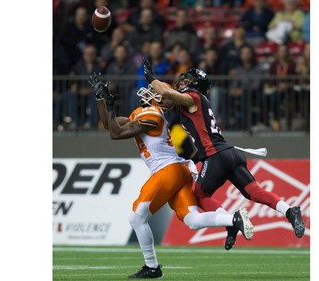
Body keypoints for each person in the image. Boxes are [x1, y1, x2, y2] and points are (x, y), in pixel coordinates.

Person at [88, 73, 254, 278]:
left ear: (165, 101)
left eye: (156, 92)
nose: (151, 93)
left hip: (169, 170)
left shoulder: (153, 114)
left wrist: (111, 106)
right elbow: (109, 125)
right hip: (179, 170)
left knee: (136, 218)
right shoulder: (145, 112)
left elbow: (116, 134)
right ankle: (233, 219)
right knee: (193, 220)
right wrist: (101, 100)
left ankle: (152, 267)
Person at [143, 58, 305, 250]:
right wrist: (195, 158)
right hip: (230, 153)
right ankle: (289, 211)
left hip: (217, 156)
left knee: (200, 195)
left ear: (194, 84)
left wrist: (150, 77)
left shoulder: (192, 96)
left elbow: (166, 92)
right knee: (254, 192)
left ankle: (230, 221)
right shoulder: (197, 100)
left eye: (187, 80)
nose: (182, 82)